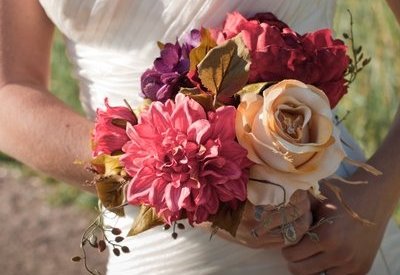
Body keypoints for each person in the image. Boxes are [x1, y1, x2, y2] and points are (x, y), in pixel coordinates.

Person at [0, 0, 398, 274]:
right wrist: (175, 182)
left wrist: (374, 200)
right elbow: (8, 93)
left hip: (332, 239)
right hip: (157, 254)